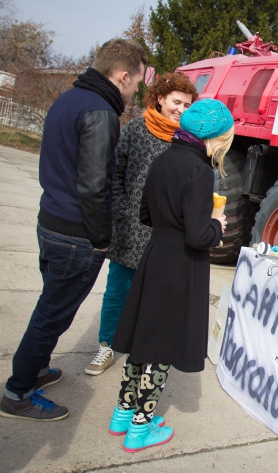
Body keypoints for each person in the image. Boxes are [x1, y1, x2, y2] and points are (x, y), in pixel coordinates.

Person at [0, 39, 147, 422]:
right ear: (123, 75)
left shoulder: (69, 99)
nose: (134, 93)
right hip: (76, 235)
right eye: (134, 85)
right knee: (52, 314)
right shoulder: (100, 113)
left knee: (50, 304)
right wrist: (101, 240)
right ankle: (18, 392)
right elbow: (95, 186)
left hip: (50, 221)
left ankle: (33, 370)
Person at [108, 99, 232, 452]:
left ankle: (122, 413)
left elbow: (145, 213)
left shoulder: (164, 157)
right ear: (216, 137)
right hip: (180, 265)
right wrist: (216, 225)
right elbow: (197, 236)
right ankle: (141, 427)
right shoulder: (199, 170)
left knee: (143, 339)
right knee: (161, 347)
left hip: (155, 256)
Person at [86, 72, 198, 376]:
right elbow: (115, 174)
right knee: (117, 290)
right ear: (160, 98)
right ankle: (106, 346)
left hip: (166, 234)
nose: (181, 109)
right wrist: (122, 213)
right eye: (177, 102)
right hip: (130, 228)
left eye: (188, 105)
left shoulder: (188, 141)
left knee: (154, 296)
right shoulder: (136, 129)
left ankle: (141, 348)